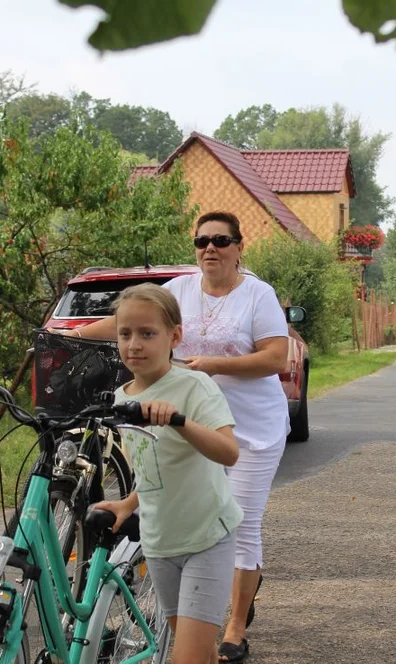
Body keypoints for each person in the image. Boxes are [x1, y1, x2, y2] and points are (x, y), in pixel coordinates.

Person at [69, 211, 290, 663]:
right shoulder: (179, 290)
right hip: (169, 426)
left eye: (221, 240)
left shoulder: (257, 294)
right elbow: (127, 322)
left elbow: (277, 359)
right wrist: (64, 337)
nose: (210, 247)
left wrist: (211, 365)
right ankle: (202, 629)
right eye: (202, 240)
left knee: (241, 523)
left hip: (245, 426)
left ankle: (235, 626)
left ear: (238, 246)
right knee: (187, 638)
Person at [92, 284, 242, 664]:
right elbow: (150, 465)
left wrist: (179, 421)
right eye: (125, 334)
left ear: (174, 336)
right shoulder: (123, 396)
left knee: (186, 659)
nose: (134, 345)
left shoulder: (194, 386)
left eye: (147, 333)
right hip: (160, 545)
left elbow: (229, 453)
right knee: (199, 651)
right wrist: (130, 502)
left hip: (207, 538)